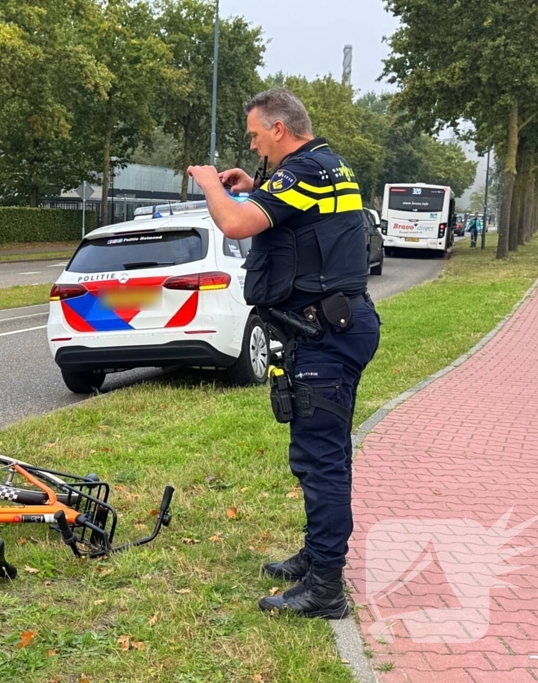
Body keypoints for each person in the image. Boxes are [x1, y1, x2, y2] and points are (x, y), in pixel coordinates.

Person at [187, 88, 381, 620]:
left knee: (320, 464)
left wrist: (211, 186)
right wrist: (254, 186)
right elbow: (302, 217)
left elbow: (234, 224)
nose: (253, 145)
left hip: (325, 333)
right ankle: (316, 557)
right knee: (327, 454)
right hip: (336, 323)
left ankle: (325, 590)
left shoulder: (304, 171)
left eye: (254, 135)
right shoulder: (328, 166)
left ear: (279, 128)